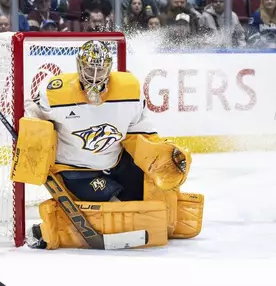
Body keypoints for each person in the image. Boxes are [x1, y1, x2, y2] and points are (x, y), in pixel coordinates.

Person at [17, 40, 204, 250]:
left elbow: (138, 134)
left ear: (110, 66)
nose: (95, 75)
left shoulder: (129, 90)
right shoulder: (55, 93)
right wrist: (30, 122)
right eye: (89, 68)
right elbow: (32, 109)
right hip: (75, 170)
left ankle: (171, 220)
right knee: (117, 209)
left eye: (100, 69)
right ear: (79, 66)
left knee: (151, 189)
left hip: (115, 162)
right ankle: (53, 229)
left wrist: (159, 154)